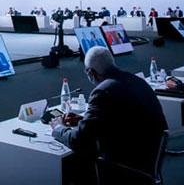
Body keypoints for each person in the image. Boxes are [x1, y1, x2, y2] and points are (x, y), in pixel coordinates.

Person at [53, 47, 167, 181]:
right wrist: (83, 120)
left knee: (79, 167)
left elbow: (79, 141)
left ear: (90, 72)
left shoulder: (102, 91)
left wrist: (58, 128)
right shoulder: (137, 81)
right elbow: (124, 119)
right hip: (155, 159)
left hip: (128, 168)